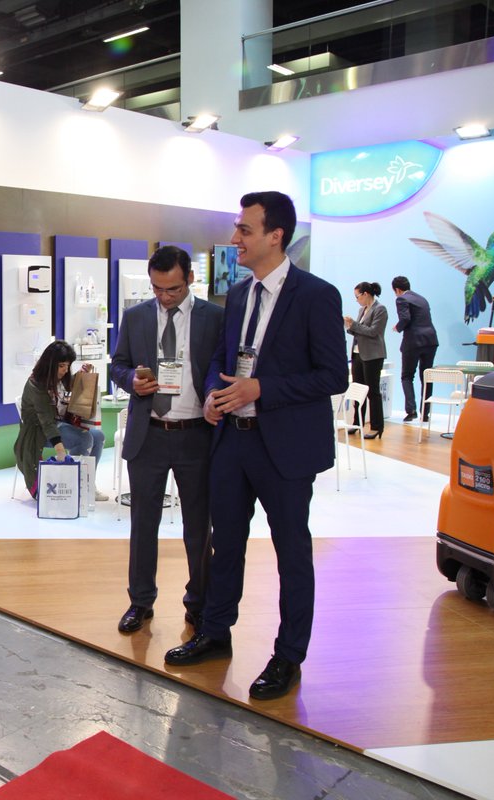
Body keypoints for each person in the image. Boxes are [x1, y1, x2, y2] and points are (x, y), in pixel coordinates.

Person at [164, 191, 347, 703]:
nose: (234, 238)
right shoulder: (239, 295)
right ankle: (215, 632)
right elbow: (222, 360)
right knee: (225, 544)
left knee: (292, 552)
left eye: (245, 229)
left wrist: (262, 388)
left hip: (284, 449)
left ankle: (288, 655)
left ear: (276, 236)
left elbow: (334, 375)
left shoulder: (316, 295)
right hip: (233, 442)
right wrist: (212, 396)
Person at [111, 245, 223, 634]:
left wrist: (214, 395)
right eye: (157, 289)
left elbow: (219, 367)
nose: (164, 297)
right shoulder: (136, 316)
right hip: (150, 436)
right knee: (143, 525)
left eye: (172, 289)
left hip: (197, 435)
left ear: (190, 278)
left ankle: (199, 602)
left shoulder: (215, 318)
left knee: (198, 527)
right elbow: (118, 365)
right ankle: (140, 601)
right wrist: (131, 380)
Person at [13, 340, 108, 503]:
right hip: (38, 432)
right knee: (84, 438)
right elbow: (46, 422)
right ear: (50, 364)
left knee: (98, 436)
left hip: (57, 424)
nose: (65, 370)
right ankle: (74, 485)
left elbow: (68, 387)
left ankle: (87, 484)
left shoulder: (58, 377)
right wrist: (60, 450)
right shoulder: (36, 384)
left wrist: (81, 374)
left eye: (68, 366)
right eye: (61, 366)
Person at [344, 282, 388, 438]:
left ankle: (376, 426)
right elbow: (359, 331)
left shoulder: (380, 309)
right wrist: (349, 326)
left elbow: (374, 331)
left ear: (365, 294)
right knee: (358, 390)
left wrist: (354, 325)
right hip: (358, 354)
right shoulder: (362, 310)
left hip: (372, 355)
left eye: (357, 296)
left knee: (372, 392)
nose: (356, 300)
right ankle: (357, 422)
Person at [392, 276, 439, 423]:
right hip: (430, 340)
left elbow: (405, 319)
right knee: (426, 377)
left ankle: (411, 410)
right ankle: (425, 413)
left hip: (413, 342)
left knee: (407, 376)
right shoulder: (422, 299)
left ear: (397, 290)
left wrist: (397, 327)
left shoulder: (402, 299)